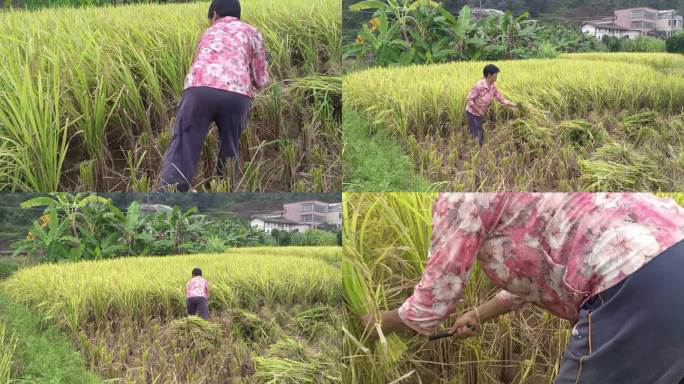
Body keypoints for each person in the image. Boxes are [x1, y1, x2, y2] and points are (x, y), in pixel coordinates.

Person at [362, 193, 684, 384]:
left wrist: (378, 324)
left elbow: (435, 295)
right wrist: (477, 313)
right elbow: (539, 265)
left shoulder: (460, 198)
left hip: (635, 284)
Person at [160, 0, 269, 192]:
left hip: (199, 91)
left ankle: (171, 197)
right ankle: (221, 196)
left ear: (215, 14)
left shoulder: (208, 33)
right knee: (229, 148)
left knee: (184, 144)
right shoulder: (252, 32)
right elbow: (260, 80)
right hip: (236, 95)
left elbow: (198, 64)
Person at [465, 64, 518, 147]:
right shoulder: (478, 86)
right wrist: (478, 110)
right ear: (489, 75)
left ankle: (478, 148)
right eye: (495, 75)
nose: (496, 77)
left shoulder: (492, 87)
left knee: (479, 131)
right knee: (478, 133)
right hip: (473, 113)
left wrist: (515, 105)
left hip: (480, 113)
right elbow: (469, 99)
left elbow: (501, 99)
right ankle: (476, 152)